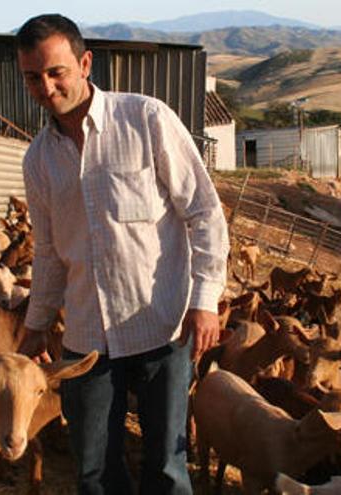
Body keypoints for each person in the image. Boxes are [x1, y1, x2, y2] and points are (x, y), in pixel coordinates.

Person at [15, 14, 228, 495]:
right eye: (32, 77)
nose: (46, 87)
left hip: (163, 324)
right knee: (93, 469)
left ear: (85, 63)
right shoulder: (39, 160)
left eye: (56, 72)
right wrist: (36, 326)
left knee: (168, 467)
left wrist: (205, 300)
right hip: (88, 337)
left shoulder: (146, 119)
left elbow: (203, 212)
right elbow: (48, 253)